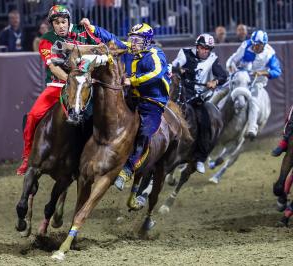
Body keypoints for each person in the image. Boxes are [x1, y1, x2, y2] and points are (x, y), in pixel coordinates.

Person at [81, 20, 171, 190]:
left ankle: (128, 170)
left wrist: (133, 80)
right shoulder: (130, 47)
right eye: (133, 39)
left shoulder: (155, 54)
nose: (134, 43)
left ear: (147, 41)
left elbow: (157, 74)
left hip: (152, 102)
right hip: (132, 97)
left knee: (145, 132)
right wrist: (91, 27)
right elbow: (112, 38)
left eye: (138, 39)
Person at [16, 5, 102, 175]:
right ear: (52, 25)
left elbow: (100, 47)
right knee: (33, 116)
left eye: (64, 21)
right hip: (57, 87)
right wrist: (72, 82)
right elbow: (54, 69)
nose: (61, 25)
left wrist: (91, 29)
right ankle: (28, 157)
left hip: (86, 87)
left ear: (69, 21)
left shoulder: (82, 31)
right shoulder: (46, 40)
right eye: (57, 23)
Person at [172, 33, 228, 174]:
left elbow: (223, 76)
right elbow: (174, 67)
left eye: (208, 49)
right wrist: (179, 71)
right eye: (202, 48)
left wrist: (214, 82)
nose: (205, 51)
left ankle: (200, 158)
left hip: (198, 97)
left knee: (205, 123)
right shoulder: (184, 54)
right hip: (181, 93)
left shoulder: (213, 60)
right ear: (197, 46)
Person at [226, 30, 282, 139]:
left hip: (257, 81)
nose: (256, 48)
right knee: (223, 90)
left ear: (264, 45)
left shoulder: (270, 53)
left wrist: (262, 72)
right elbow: (232, 60)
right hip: (242, 77)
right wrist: (232, 69)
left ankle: (252, 127)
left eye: (259, 45)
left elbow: (277, 71)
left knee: (253, 100)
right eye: (255, 45)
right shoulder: (245, 45)